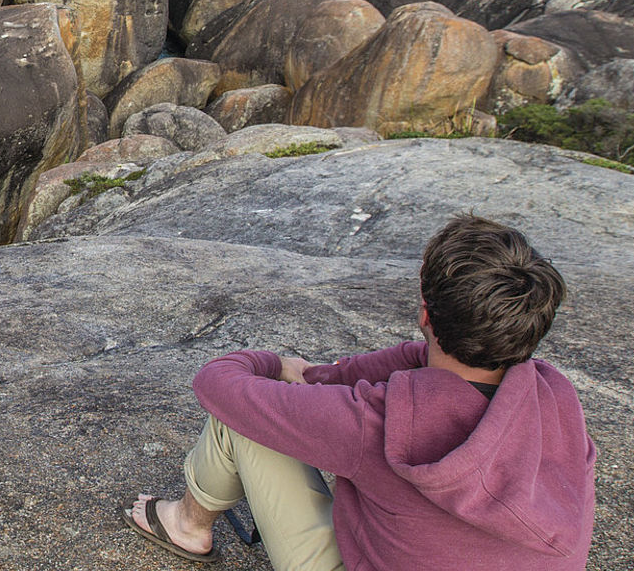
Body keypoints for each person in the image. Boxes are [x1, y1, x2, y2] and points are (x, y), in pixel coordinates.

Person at [122, 215, 596, 570]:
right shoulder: (556, 398)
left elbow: (218, 385)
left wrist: (274, 364)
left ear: (426, 314)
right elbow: (416, 358)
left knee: (244, 421)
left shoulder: (379, 423)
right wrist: (323, 377)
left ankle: (187, 526)